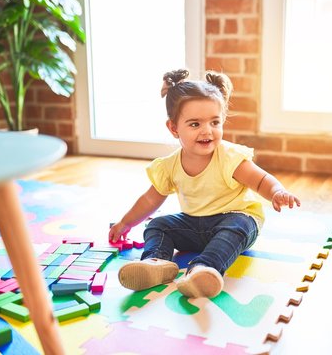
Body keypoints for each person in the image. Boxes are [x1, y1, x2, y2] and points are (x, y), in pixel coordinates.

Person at [108, 69, 300, 298]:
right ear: (173, 128)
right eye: (195, 124)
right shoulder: (169, 165)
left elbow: (260, 179)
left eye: (215, 122)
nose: (207, 131)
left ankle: (203, 269)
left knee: (238, 225)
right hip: (194, 224)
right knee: (157, 225)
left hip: (234, 217)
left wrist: (277, 191)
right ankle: (156, 262)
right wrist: (125, 223)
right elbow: (151, 199)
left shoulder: (229, 157)